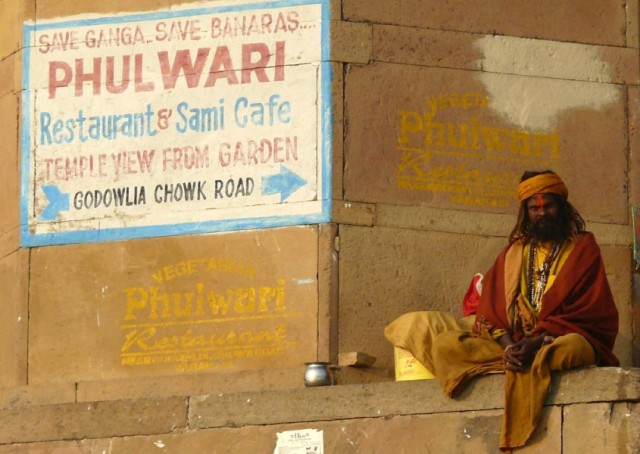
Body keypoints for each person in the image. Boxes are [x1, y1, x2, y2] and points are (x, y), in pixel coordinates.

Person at [384, 170, 619, 451]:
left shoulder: (583, 248)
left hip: (556, 339)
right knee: (447, 344)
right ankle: (515, 361)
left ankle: (526, 361)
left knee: (569, 348)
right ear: (525, 212)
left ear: (562, 207)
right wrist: (509, 346)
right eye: (534, 208)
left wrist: (538, 341)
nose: (542, 213)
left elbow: (591, 312)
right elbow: (489, 314)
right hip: (516, 344)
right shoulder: (513, 253)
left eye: (549, 206)